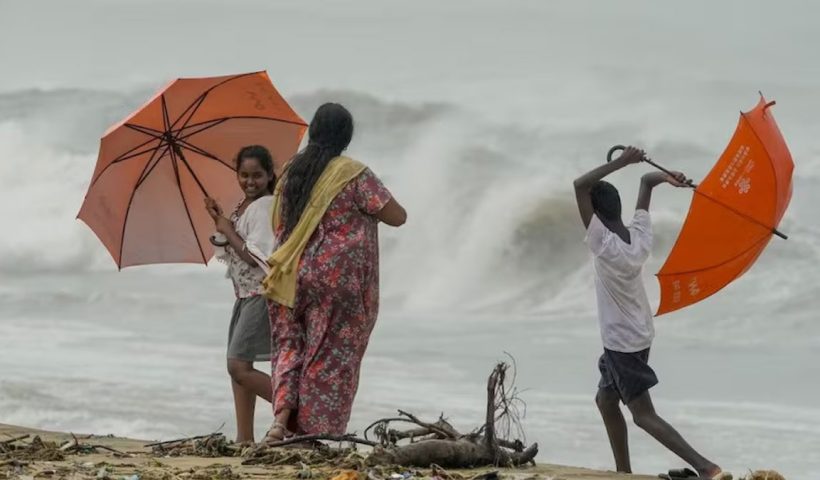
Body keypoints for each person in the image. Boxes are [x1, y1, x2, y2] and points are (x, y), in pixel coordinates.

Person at [572, 146, 730, 480]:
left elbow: (579, 185)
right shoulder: (639, 237)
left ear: (596, 215)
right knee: (605, 400)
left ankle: (706, 468)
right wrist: (669, 178)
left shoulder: (602, 243)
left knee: (642, 414)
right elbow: (646, 182)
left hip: (621, 341)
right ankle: (623, 472)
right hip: (640, 332)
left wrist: (620, 162)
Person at [262, 103, 406, 442]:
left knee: (290, 350)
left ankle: (280, 424)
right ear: (345, 136)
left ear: (313, 131)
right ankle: (314, 437)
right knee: (328, 357)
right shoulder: (352, 173)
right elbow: (397, 216)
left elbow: (278, 222)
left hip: (290, 275)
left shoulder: (291, 171)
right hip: (337, 280)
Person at [205, 145, 277, 444]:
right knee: (239, 368)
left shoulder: (266, 205)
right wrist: (220, 221)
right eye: (244, 175)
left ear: (270, 174)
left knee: (237, 365)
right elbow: (232, 250)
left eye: (257, 175)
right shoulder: (245, 205)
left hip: (261, 294)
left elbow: (255, 256)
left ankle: (297, 410)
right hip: (244, 295)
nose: (250, 181)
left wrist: (228, 230)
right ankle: (244, 438)